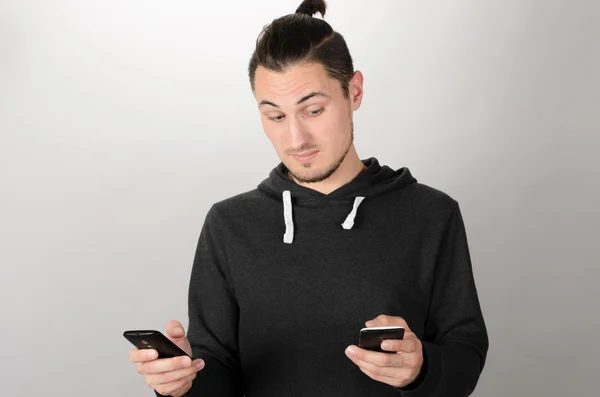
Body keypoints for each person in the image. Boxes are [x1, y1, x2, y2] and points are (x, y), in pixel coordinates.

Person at [127, 0, 489, 396]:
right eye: (275, 116)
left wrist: (419, 370)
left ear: (354, 91)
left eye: (313, 110)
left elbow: (464, 355)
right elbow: (219, 369)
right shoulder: (229, 225)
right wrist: (182, 382)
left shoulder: (431, 214)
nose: (296, 140)